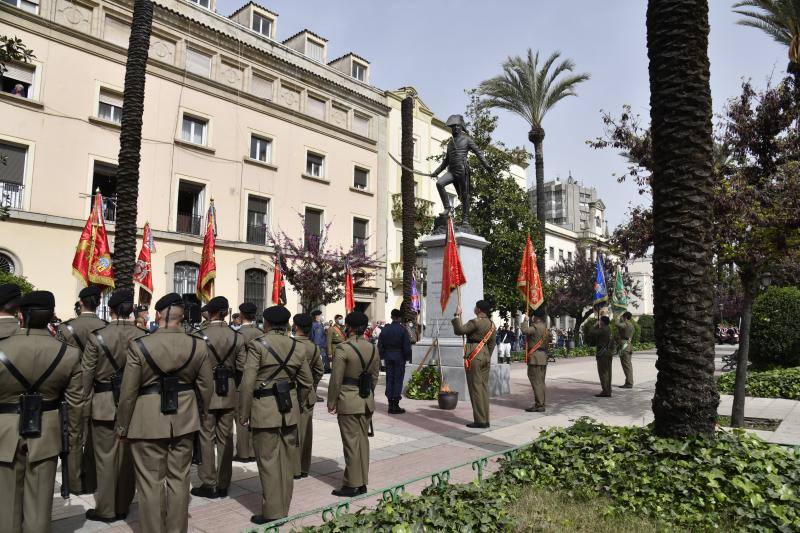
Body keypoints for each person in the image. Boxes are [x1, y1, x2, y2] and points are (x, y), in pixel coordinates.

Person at [115, 293, 214, 533]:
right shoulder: (197, 344)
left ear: (158, 314)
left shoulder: (140, 345)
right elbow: (206, 388)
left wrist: (122, 427)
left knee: (150, 483)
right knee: (180, 480)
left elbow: (128, 393)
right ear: (182, 317)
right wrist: (200, 416)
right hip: (184, 419)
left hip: (146, 421)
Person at [0, 291, 83, 533]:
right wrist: (74, 442)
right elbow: (76, 404)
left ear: (21, 315)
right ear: (51, 316)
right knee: (39, 505)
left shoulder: (3, 347)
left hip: (4, 429)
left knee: (6, 504)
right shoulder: (68, 353)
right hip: (46, 430)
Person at [239, 305, 313, 525]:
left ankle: (272, 512)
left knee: (268, 461)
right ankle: (283, 507)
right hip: (289, 409)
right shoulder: (297, 347)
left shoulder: (258, 346)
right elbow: (307, 382)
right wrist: (298, 404)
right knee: (287, 462)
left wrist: (244, 412)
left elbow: (248, 383)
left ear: (267, 324)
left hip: (264, 409)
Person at [82, 289, 143, 522]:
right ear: (132, 309)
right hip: (135, 404)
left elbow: (86, 377)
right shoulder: (142, 334)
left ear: (112, 309)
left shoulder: (97, 337)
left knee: (105, 459)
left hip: (104, 403)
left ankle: (106, 509)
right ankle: (123, 505)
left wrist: (83, 405)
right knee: (127, 458)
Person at [58, 285, 107, 495]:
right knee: (98, 436)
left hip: (73, 388)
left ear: (81, 303)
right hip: (100, 387)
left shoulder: (66, 329)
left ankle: (75, 483)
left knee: (74, 436)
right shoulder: (106, 327)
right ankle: (94, 480)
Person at [191, 296, 239, 499]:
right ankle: (223, 482)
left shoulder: (198, 335)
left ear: (209, 313)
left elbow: (191, 366)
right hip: (228, 389)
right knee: (226, 437)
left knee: (206, 436)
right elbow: (242, 367)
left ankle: (208, 482)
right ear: (226, 313)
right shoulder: (238, 337)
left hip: (206, 390)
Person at [328, 311, 380, 497]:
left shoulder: (343, 348)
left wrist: (331, 401)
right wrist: (367, 393)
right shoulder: (373, 348)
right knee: (362, 442)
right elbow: (374, 377)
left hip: (348, 399)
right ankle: (362, 481)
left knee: (350, 443)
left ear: (348, 327)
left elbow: (336, 379)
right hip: (366, 400)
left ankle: (352, 484)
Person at [430, 114, 492, 225]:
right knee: (439, 184)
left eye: (456, 126)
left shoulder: (467, 140)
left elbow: (478, 153)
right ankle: (447, 208)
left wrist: (487, 165)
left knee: (464, 195)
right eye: (452, 127)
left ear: (461, 127)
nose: (454, 128)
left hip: (462, 170)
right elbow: (446, 161)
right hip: (452, 171)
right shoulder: (450, 143)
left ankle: (466, 219)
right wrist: (436, 172)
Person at [453, 300, 496, 428]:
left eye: (475, 307)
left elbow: (459, 330)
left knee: (475, 389)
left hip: (474, 355)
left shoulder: (475, 322)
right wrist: (486, 355)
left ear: (478, 309)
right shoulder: (492, 324)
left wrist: (456, 316)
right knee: (483, 389)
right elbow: (492, 343)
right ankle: (485, 418)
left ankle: (480, 420)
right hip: (485, 356)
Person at [291, 313, 324, 478]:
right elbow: (319, 370)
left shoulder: (290, 344)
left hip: (290, 392)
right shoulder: (313, 347)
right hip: (308, 393)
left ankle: (293, 468)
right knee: (306, 431)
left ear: (296, 326)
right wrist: (312, 386)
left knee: (291, 431)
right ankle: (304, 467)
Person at [233, 302, 261, 463]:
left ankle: (243, 452)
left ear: (242, 315)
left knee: (241, 415)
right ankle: (253, 450)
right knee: (254, 415)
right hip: (258, 378)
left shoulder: (237, 334)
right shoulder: (260, 332)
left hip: (240, 379)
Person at [378, 309, 412, 414]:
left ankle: (390, 404)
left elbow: (380, 345)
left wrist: (382, 356)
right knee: (398, 380)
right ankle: (395, 405)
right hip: (399, 357)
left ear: (392, 317)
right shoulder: (402, 330)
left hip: (388, 356)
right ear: (399, 317)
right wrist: (407, 358)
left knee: (389, 379)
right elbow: (406, 346)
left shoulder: (385, 329)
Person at [520, 307, 548, 412]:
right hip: (543, 357)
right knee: (541, 382)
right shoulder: (545, 328)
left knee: (536, 382)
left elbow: (524, 331)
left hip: (535, 357)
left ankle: (539, 405)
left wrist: (525, 320)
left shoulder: (535, 327)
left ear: (535, 317)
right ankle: (541, 403)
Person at [587, 315, 615, 397]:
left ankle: (605, 391)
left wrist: (595, 325)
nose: (599, 321)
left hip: (603, 354)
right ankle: (608, 390)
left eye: (600, 320)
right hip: (609, 353)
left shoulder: (603, 329)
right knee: (608, 373)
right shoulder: (609, 329)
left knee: (603, 373)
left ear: (602, 322)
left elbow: (591, 333)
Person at [616, 312, 635, 388]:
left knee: (626, 366)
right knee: (628, 365)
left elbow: (617, 324)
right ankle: (628, 382)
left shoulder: (625, 324)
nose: (621, 318)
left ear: (625, 317)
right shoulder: (632, 325)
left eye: (622, 316)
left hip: (624, 346)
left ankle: (629, 383)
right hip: (628, 345)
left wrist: (617, 318)